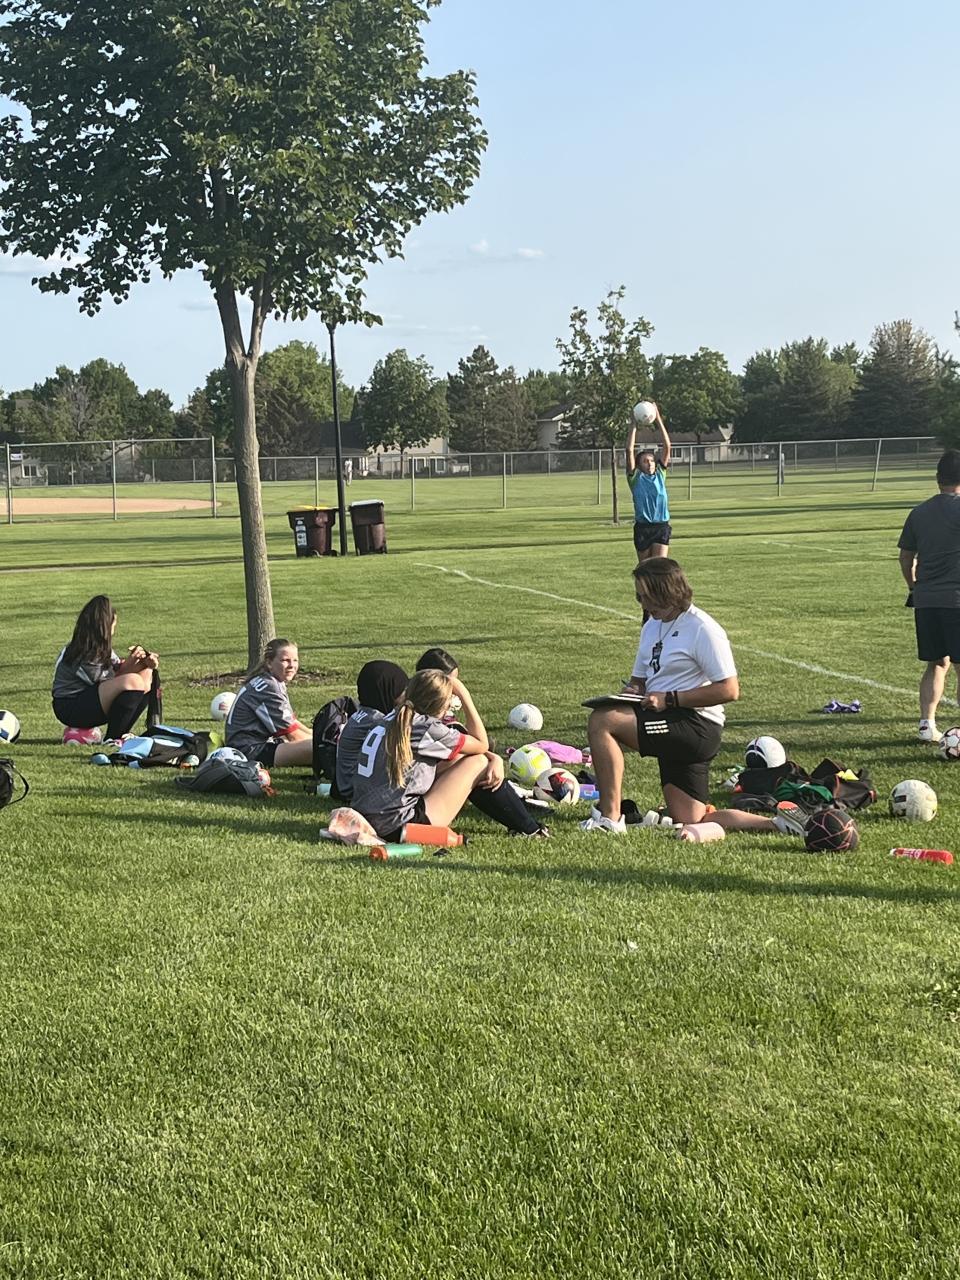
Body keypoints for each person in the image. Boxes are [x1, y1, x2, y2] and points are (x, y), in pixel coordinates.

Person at [345, 669, 547, 841]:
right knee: (479, 762)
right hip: (397, 826)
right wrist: (464, 695)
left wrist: (495, 757)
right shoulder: (425, 727)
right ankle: (529, 828)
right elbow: (481, 744)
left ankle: (524, 825)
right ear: (442, 705)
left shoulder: (394, 717)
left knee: (462, 759)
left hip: (368, 814)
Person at [898, 449, 960, 742]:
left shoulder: (919, 512)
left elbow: (905, 557)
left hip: (926, 599)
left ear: (937, 478)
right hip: (956, 599)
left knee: (936, 662)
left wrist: (914, 587)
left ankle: (926, 724)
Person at [52, 594, 160, 743]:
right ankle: (113, 737)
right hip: (69, 706)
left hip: (90, 699)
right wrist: (130, 664)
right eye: (114, 624)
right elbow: (110, 680)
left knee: (146, 674)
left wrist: (145, 663)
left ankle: (122, 733)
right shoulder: (82, 652)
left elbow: (117, 669)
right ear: (106, 625)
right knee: (133, 681)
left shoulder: (102, 647)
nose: (114, 629)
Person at [225, 638, 313, 767]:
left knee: (318, 741)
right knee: (319, 748)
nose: (292, 665)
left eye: (295, 660)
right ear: (269, 663)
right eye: (285, 660)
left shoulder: (269, 680)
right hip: (249, 751)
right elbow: (293, 735)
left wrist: (313, 733)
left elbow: (291, 722)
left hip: (246, 745)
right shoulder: (270, 686)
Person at [335, 660, 409, 802]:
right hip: (357, 791)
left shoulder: (363, 714)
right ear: (387, 691)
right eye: (402, 691)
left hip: (347, 785)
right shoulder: (378, 721)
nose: (406, 696)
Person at [627, 403, 672, 564]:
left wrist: (658, 419)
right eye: (645, 461)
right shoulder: (635, 479)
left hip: (661, 526)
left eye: (652, 460)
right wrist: (633, 425)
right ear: (639, 465)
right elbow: (629, 450)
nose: (650, 463)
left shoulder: (660, 475)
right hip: (643, 528)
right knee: (645, 568)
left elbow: (667, 446)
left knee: (660, 567)